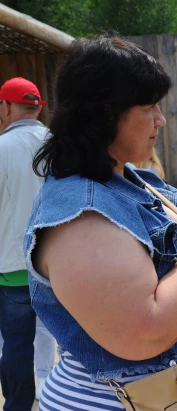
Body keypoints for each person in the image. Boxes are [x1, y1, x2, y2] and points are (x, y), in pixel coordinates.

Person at [24, 36, 177, 409]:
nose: (160, 120)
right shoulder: (82, 217)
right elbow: (143, 333)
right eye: (149, 108)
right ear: (105, 114)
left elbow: (159, 262)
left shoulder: (123, 178)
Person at [0, 77, 57, 410]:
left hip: (12, 269)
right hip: (57, 266)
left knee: (16, 344)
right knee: (70, 339)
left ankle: (19, 406)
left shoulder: (2, 149)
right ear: (37, 107)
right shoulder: (60, 145)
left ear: (6, 107)